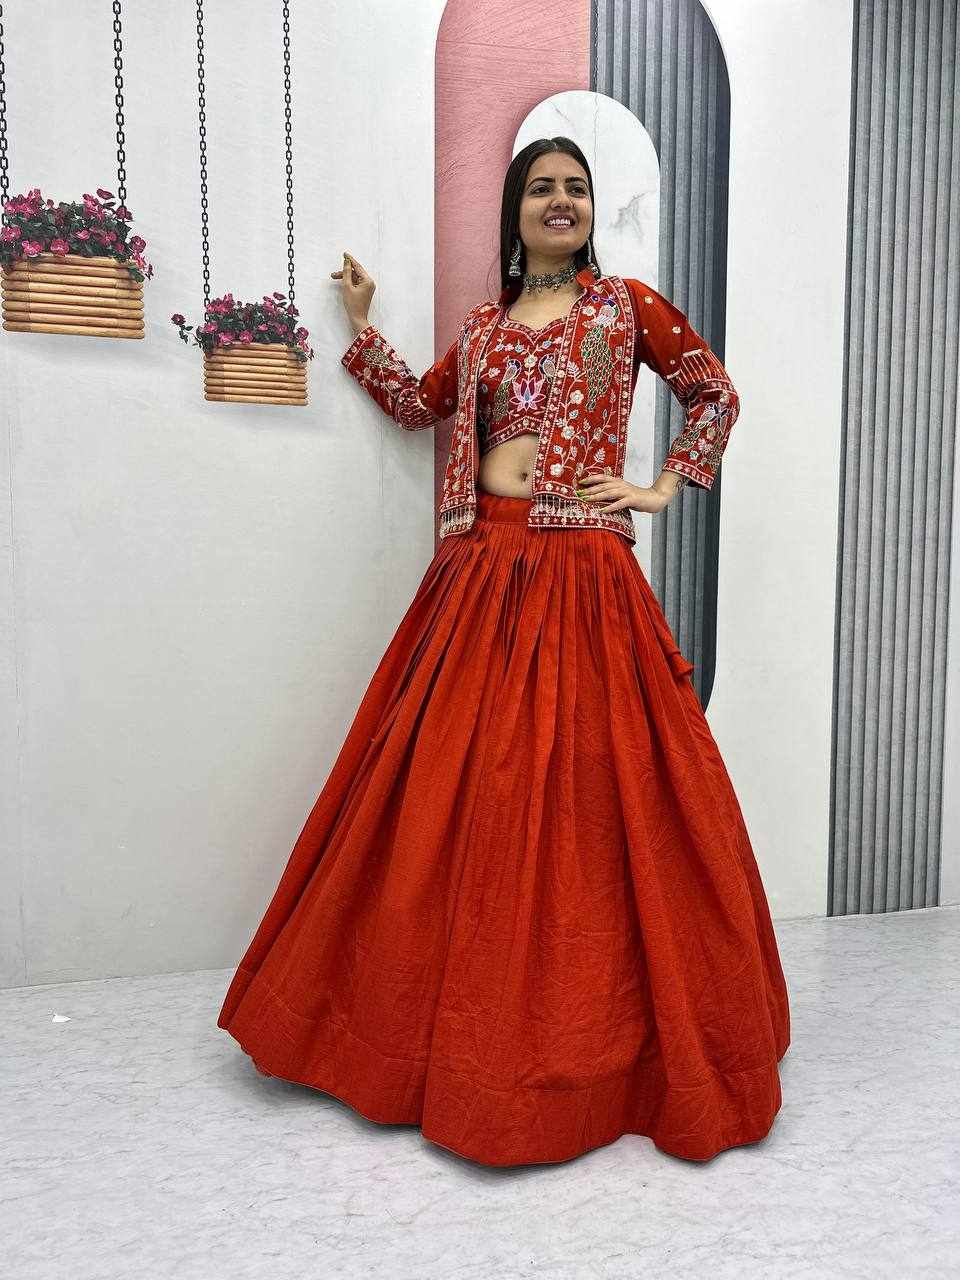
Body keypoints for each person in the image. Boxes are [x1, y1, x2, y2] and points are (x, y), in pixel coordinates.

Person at [217, 137, 790, 1167]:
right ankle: (425, 1035)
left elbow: (714, 391)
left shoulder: (626, 307)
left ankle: (580, 1046)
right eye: (541, 188)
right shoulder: (482, 329)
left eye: (576, 188)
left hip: (585, 572)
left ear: (591, 210)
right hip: (480, 567)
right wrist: (363, 328)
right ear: (516, 211)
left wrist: (661, 487)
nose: (560, 201)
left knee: (589, 794)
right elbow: (420, 407)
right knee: (452, 788)